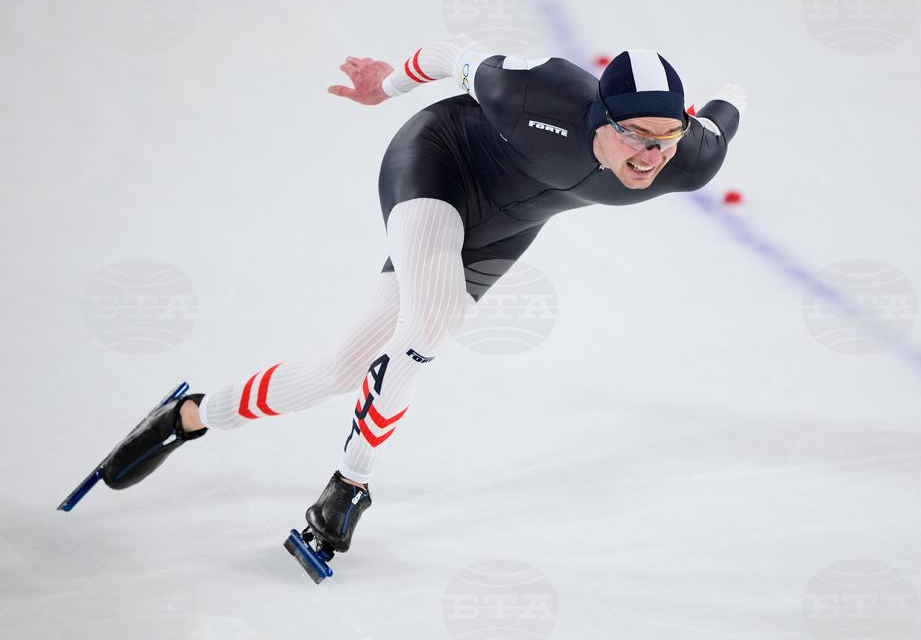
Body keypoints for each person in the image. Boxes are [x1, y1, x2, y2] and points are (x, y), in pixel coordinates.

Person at [86, 35, 745, 575]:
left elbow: (723, 115)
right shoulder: (531, 92)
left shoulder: (688, 158)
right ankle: (350, 485)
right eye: (635, 136)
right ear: (600, 118)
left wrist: (732, 95)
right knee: (429, 323)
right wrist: (385, 86)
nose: (651, 156)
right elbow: (451, 57)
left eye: (665, 138)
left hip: (504, 229)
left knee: (342, 371)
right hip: (437, 162)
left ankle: (190, 415)